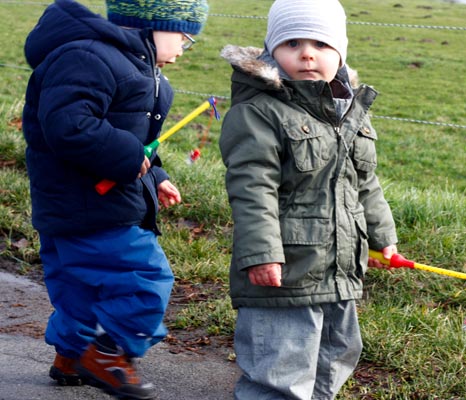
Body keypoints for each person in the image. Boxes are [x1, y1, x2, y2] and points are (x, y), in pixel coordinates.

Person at [22, 0, 208, 399]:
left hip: (79, 205)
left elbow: (137, 142)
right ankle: (107, 353)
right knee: (145, 279)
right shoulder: (89, 58)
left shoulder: (136, 67)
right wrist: (128, 158)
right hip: (92, 206)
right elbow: (70, 125)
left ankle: (71, 356)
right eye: (183, 37)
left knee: (80, 288)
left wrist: (154, 174)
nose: (180, 52)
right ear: (151, 25)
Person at [219, 0, 399, 398]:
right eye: (292, 42)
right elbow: (252, 188)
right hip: (286, 269)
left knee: (335, 357)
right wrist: (262, 253)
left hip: (340, 269)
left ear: (340, 52)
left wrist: (382, 236)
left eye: (321, 43)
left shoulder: (348, 112)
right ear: (271, 51)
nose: (306, 53)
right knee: (280, 366)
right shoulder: (258, 113)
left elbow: (364, 181)